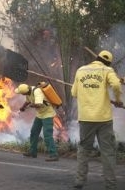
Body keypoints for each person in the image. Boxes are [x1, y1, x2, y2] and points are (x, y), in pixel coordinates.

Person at [71, 50, 123, 190]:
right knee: (107, 151)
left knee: (84, 149)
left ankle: (79, 180)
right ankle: (110, 184)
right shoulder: (107, 70)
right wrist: (118, 100)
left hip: (86, 117)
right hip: (104, 118)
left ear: (97, 58)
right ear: (108, 62)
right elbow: (117, 85)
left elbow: (74, 93)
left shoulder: (81, 70)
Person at [15, 83, 59, 161]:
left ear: (25, 92)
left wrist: (32, 105)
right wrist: (23, 107)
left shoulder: (37, 91)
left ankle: (53, 154)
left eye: (22, 93)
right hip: (40, 114)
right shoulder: (29, 92)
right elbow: (28, 101)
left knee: (47, 134)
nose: (21, 94)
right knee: (34, 132)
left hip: (48, 114)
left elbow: (39, 104)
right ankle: (33, 152)